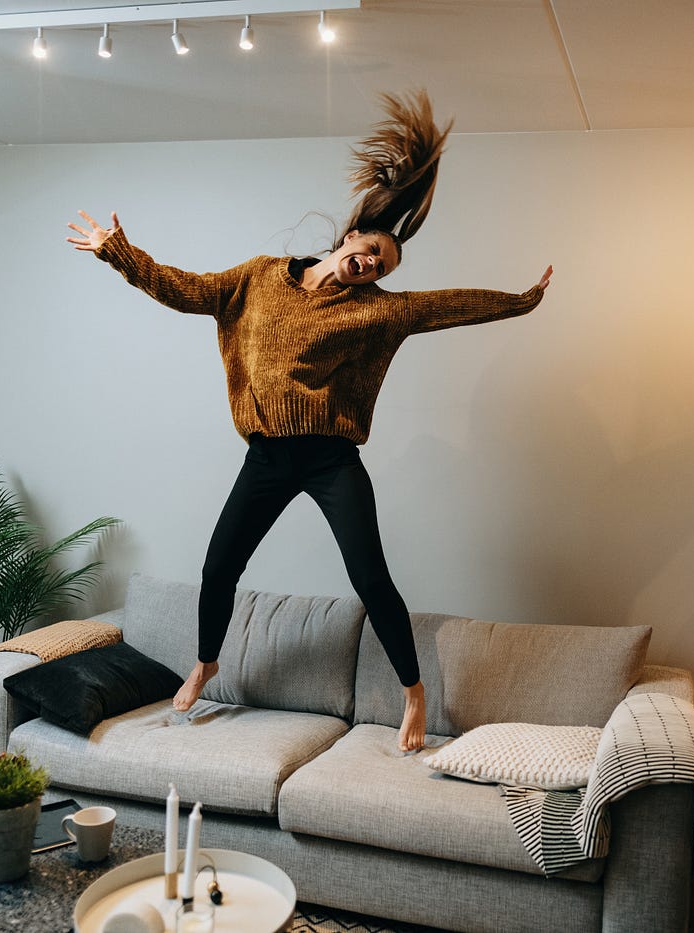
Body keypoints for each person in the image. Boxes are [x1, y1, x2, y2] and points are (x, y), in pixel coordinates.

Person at [67, 91, 551, 752]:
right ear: (352, 236)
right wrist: (115, 251)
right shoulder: (259, 278)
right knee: (217, 569)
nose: (372, 265)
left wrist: (520, 301)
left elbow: (445, 305)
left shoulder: (375, 311)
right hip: (266, 456)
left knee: (369, 573)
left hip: (329, 460)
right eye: (372, 251)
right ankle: (207, 662)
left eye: (381, 268)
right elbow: (185, 288)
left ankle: (414, 691)